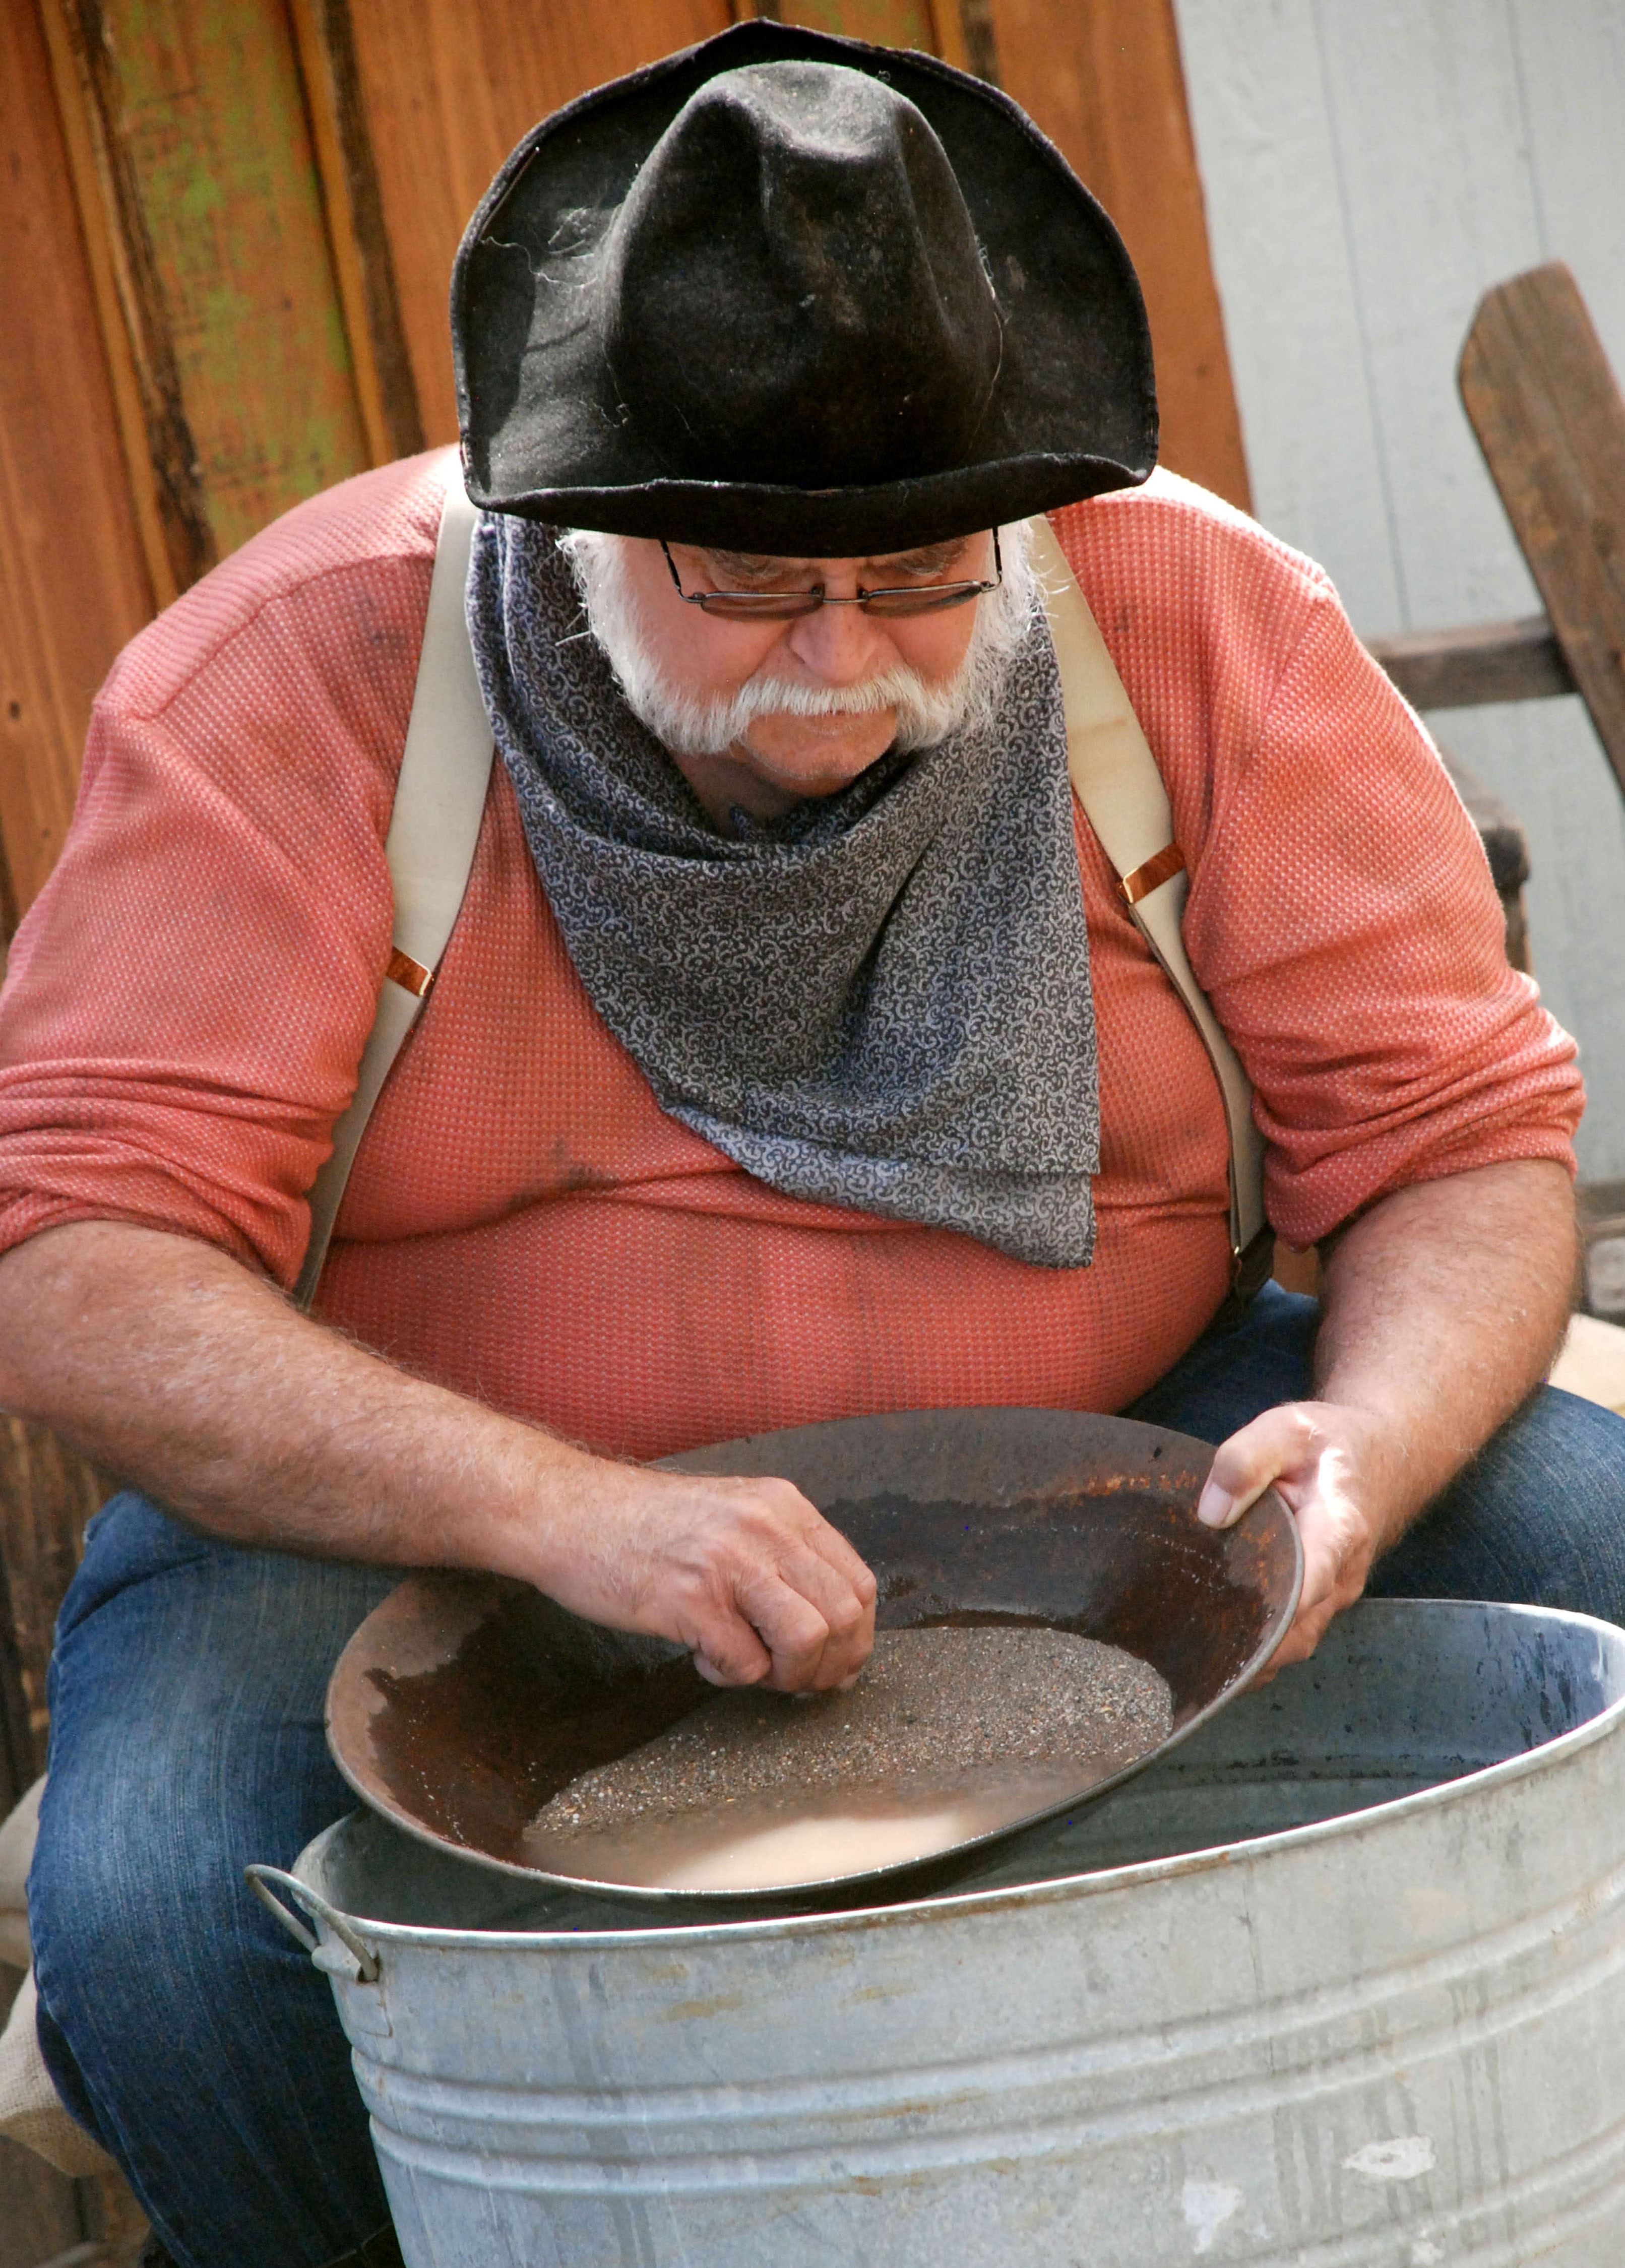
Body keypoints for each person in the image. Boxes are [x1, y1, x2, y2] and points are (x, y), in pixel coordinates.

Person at [0, 21, 1618, 2268]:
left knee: (1590, 1540)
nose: (840, 659)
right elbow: (74, 1263)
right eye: (749, 583)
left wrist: (1367, 1434)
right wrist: (566, 1517)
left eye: (920, 574)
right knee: (165, 1919)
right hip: (438, 1520)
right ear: (572, 519)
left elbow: (1453, 1133)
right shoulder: (293, 679)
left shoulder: (1190, 618)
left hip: (1108, 1433)